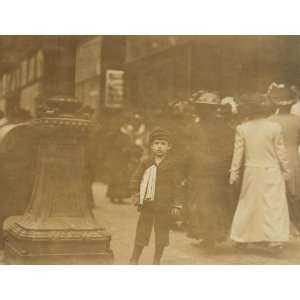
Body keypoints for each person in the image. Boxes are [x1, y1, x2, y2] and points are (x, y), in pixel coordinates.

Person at [230, 93, 290, 250]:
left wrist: (234, 173)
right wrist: (286, 170)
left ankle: (242, 237)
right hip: (272, 170)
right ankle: (274, 239)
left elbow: (238, 154)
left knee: (249, 203)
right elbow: (281, 152)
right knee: (273, 204)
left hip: (252, 170)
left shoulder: (242, 128)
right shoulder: (274, 127)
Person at [186, 92, 234, 251]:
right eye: (203, 108)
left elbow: (189, 151)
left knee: (207, 202)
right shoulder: (223, 128)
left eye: (207, 108)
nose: (204, 112)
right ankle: (209, 236)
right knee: (210, 203)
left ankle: (209, 236)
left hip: (206, 171)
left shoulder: (196, 128)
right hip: (210, 170)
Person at [129, 128, 183, 264]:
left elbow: (178, 186)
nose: (159, 146)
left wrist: (177, 204)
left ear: (169, 147)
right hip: (147, 203)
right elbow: (135, 179)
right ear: (152, 146)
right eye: (156, 143)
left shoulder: (173, 165)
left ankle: (156, 261)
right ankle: (134, 258)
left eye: (163, 143)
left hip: (165, 204)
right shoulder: (146, 162)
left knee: (162, 233)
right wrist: (136, 194)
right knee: (142, 230)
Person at [268, 85, 300, 233]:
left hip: (274, 158)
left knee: (276, 192)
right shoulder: (297, 120)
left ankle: (279, 224)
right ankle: (294, 224)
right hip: (293, 157)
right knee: (294, 192)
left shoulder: (269, 121)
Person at [104, 114, 143, 204]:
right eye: (128, 126)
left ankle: (120, 197)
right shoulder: (116, 134)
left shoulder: (128, 136)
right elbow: (112, 146)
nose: (130, 128)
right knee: (116, 178)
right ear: (125, 126)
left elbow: (129, 146)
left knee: (122, 178)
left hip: (124, 160)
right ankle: (113, 196)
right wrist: (121, 150)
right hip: (116, 159)